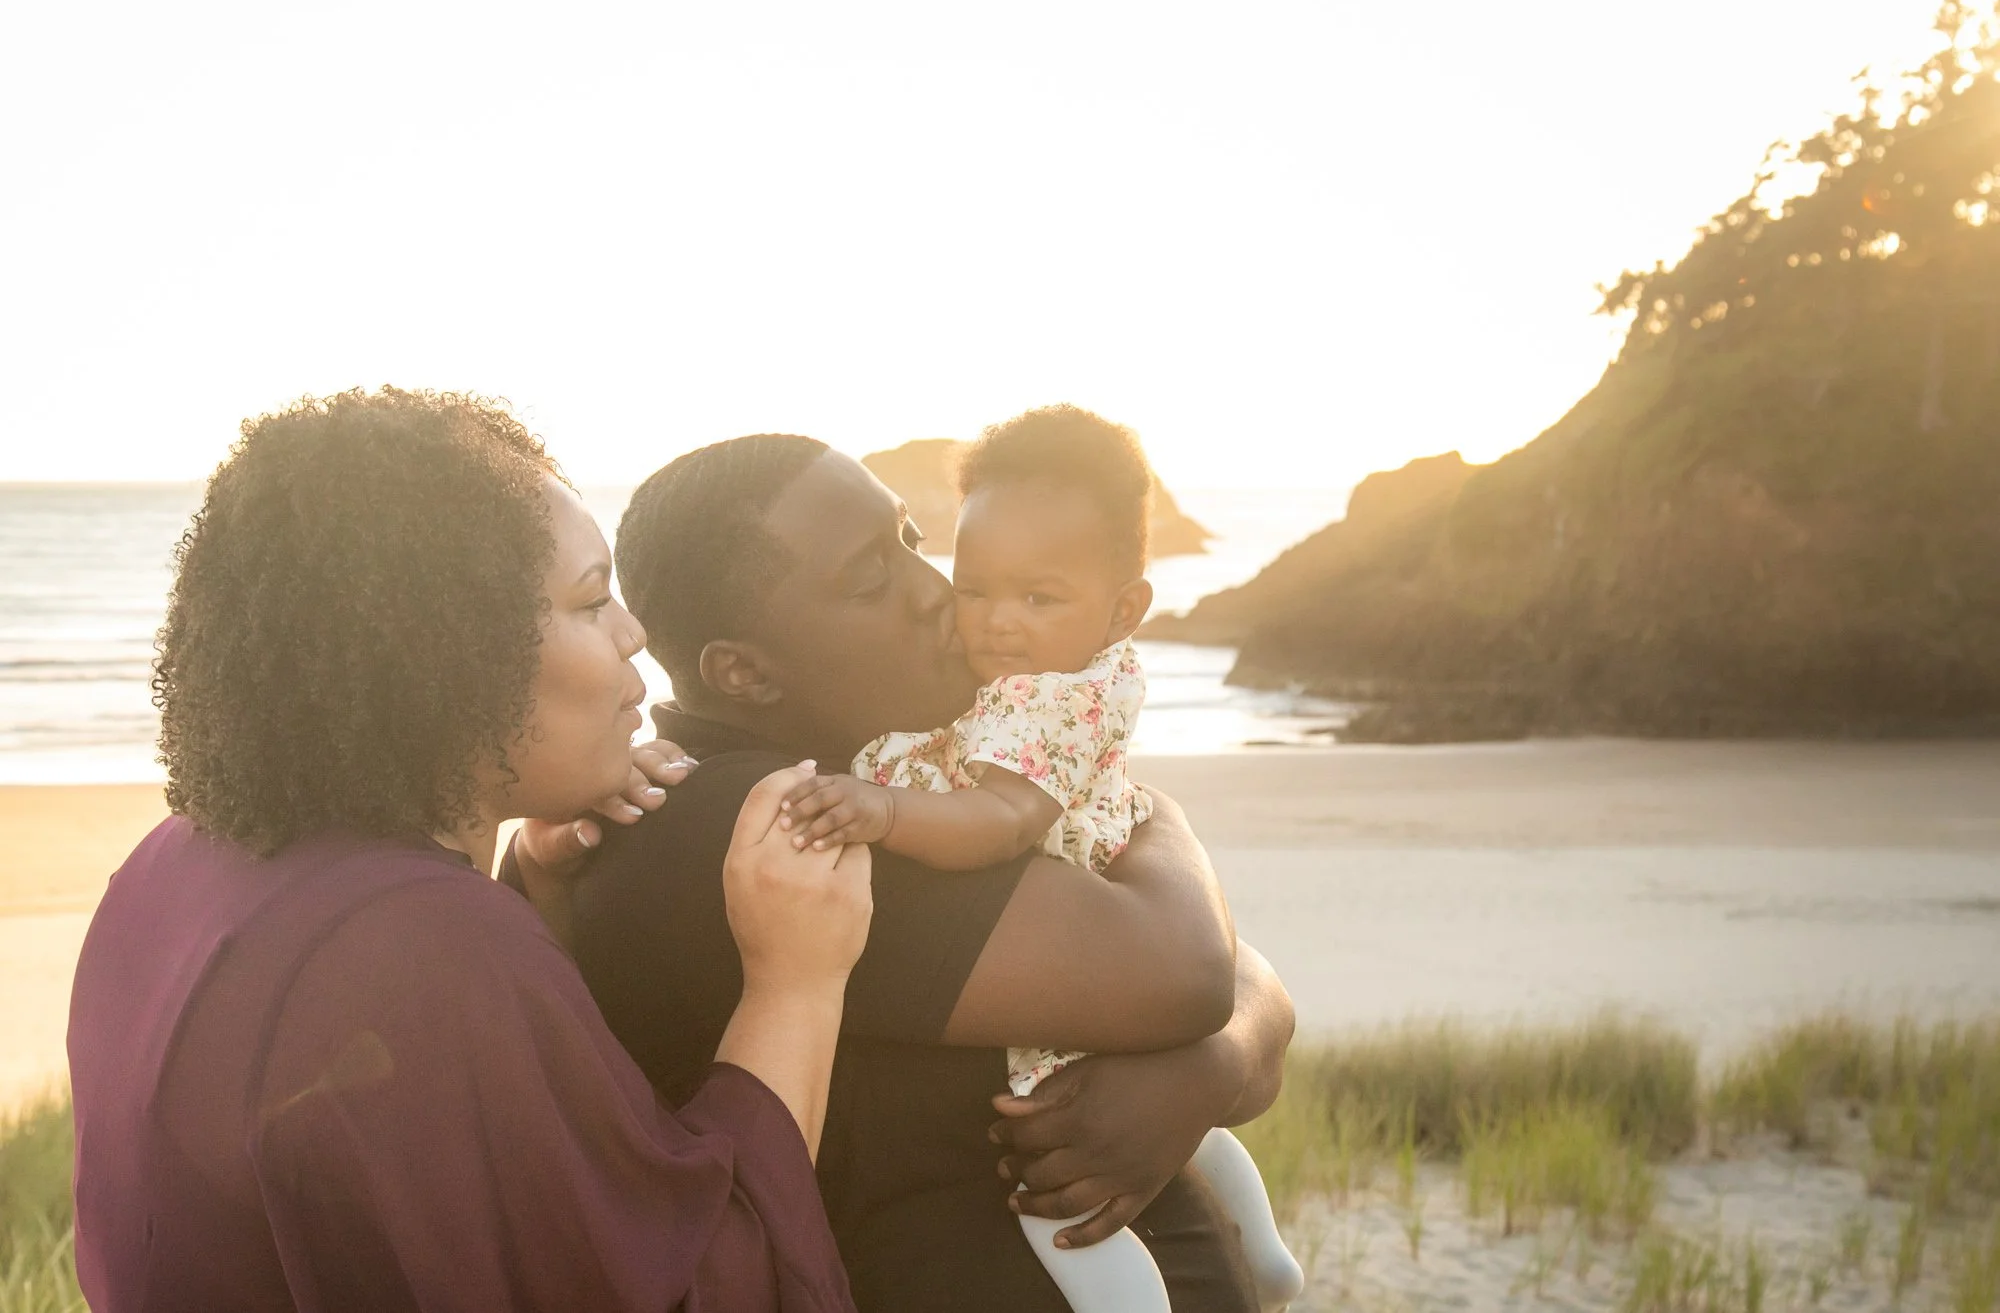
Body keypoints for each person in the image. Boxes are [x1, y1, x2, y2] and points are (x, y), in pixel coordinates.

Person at [68, 389, 867, 1312]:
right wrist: (795, 981)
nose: (633, 633)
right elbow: (693, 1286)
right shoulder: (429, 952)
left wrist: (528, 880)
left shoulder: (172, 862)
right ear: (452, 653)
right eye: (590, 599)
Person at [509, 431, 1296, 1312]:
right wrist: (1156, 815)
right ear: (743, 670)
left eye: (913, 541)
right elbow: (1186, 969)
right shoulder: (769, 826)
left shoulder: (905, 782)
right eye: (872, 580)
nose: (935, 593)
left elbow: (1245, 990)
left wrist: (1212, 1067)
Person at [776, 407, 1304, 1312]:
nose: (994, 623)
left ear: (1124, 608)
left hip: (1077, 990)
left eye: (1037, 598)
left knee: (1065, 1214)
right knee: (1192, 1139)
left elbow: (998, 820)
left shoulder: (1045, 702)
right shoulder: (1067, 675)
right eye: (974, 588)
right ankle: (1262, 1244)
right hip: (1118, 952)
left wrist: (884, 808)